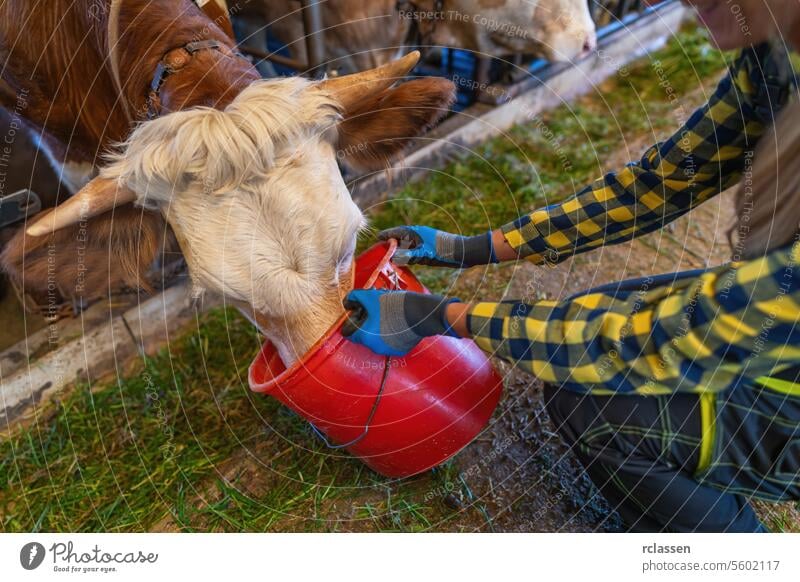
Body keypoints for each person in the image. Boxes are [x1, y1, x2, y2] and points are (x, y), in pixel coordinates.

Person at [342, 0, 800, 532]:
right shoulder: (776, 60)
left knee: (594, 399)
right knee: (585, 323)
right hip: (779, 319)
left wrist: (440, 317)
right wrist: (478, 247)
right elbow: (661, 182)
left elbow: (639, 343)